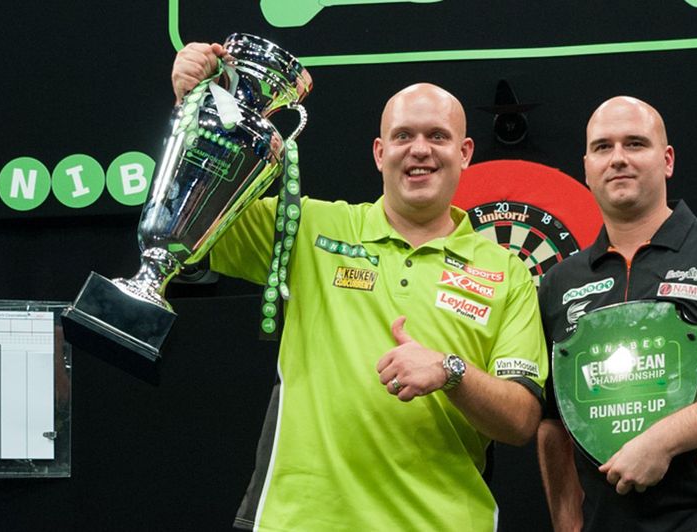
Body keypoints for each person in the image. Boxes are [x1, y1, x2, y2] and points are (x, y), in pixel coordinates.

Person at [172, 43, 547, 531]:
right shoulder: (306, 227)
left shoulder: (507, 272)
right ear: (379, 153)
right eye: (403, 135)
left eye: (437, 136)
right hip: (303, 521)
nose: (419, 149)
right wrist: (197, 110)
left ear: (465, 153)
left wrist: (450, 370)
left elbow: (521, 421)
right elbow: (187, 215)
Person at [537, 96, 697, 532]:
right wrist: (566, 521)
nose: (618, 158)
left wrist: (662, 441)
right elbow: (552, 421)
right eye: (603, 147)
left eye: (635, 143)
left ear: (667, 160)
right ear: (586, 168)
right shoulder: (559, 282)